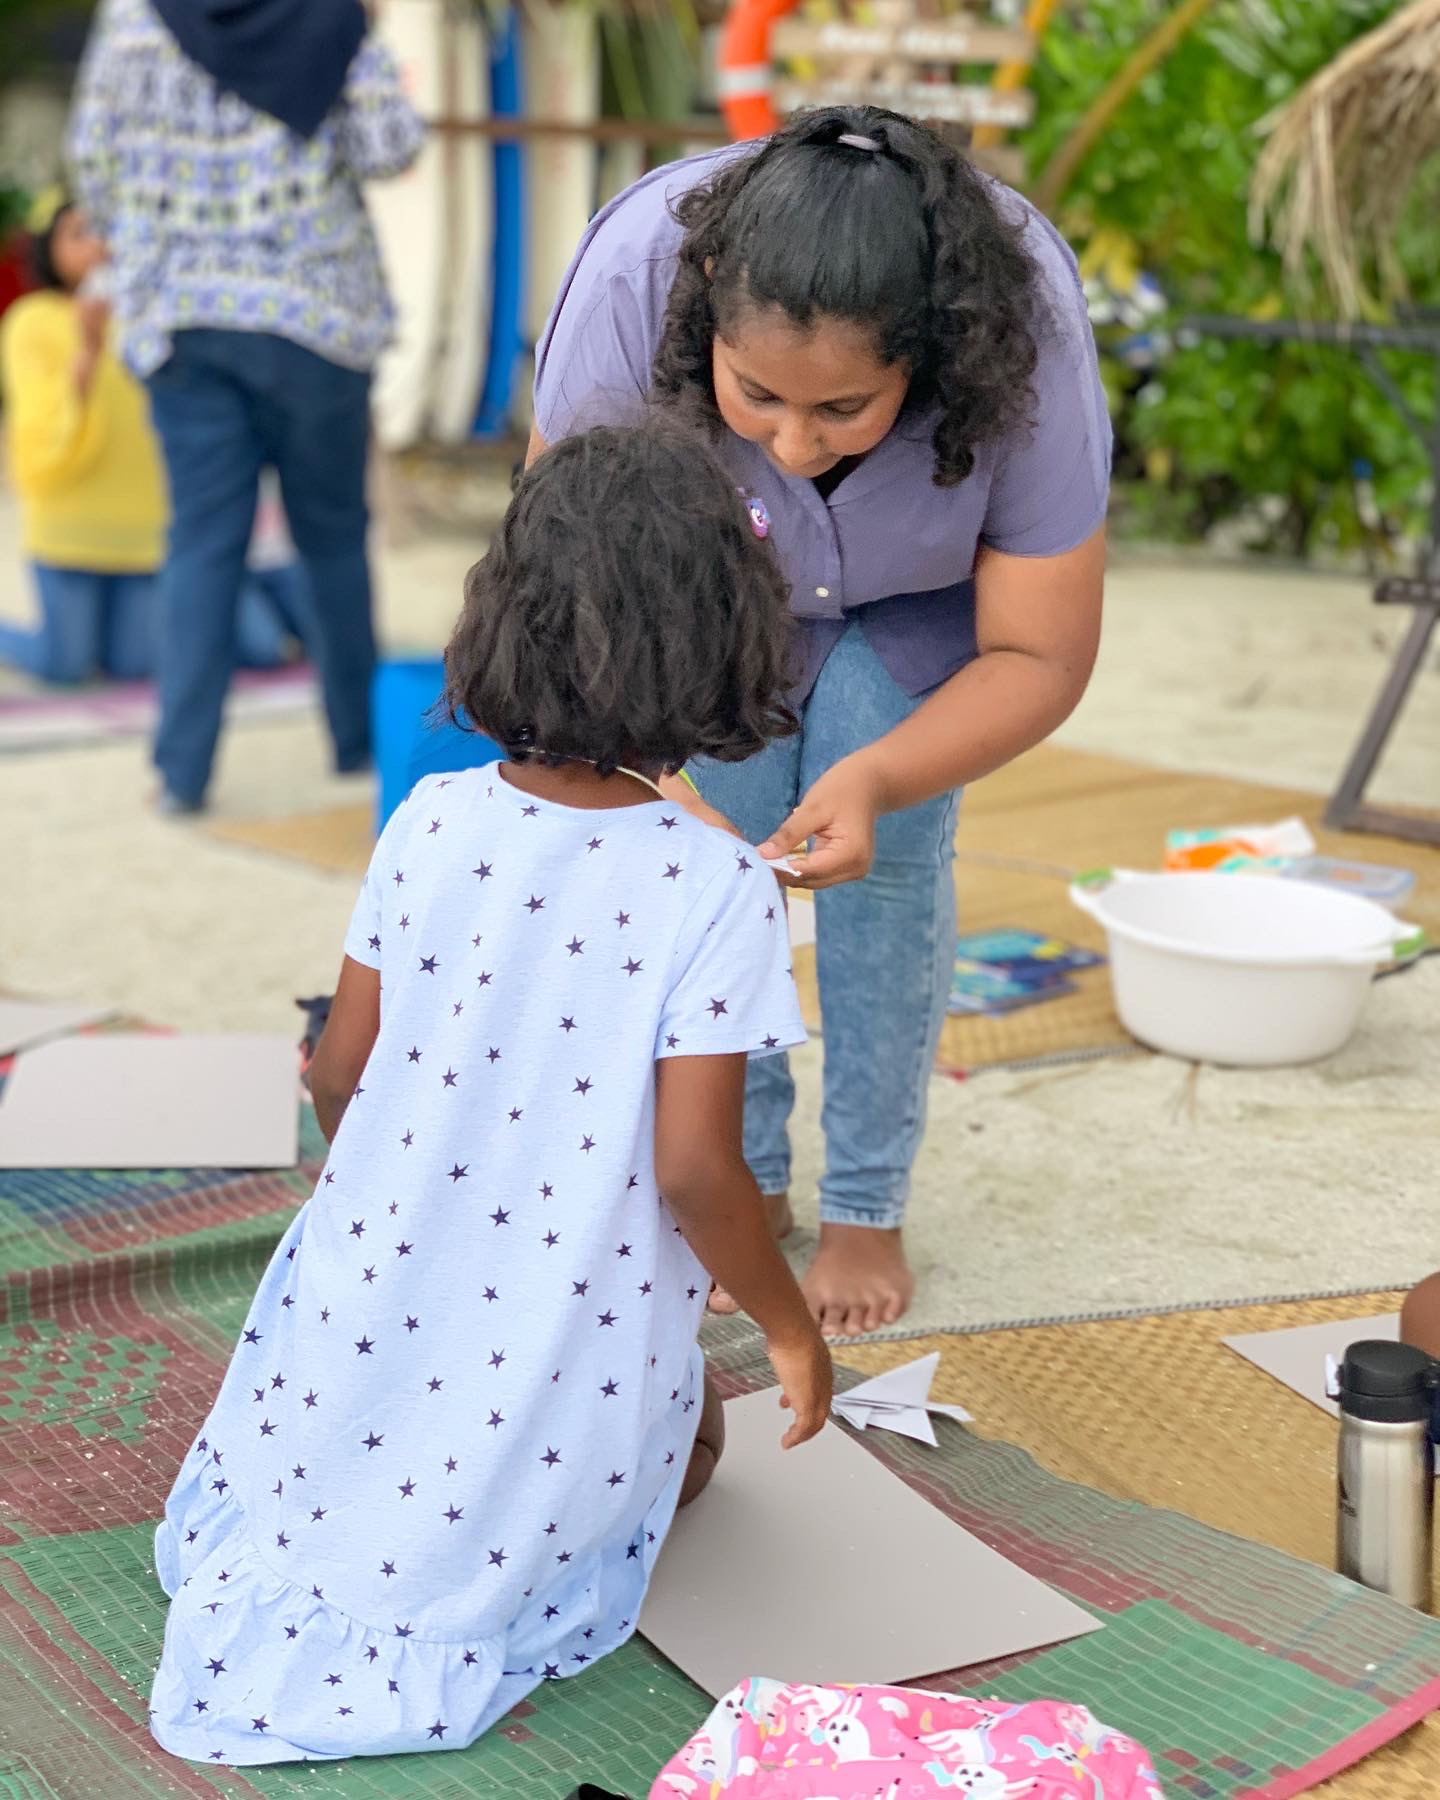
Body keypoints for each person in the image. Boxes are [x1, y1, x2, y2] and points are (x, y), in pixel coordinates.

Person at [146, 423, 833, 1766]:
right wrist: (792, 1330)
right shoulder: (717, 886)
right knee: (700, 1447)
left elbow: (337, 1071)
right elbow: (698, 1172)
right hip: (563, 1327)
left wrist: (407, 1197)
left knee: (394, 1443)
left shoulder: (433, 819)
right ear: (728, 641)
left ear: (506, 615)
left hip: (364, 1305)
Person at [530, 106, 1111, 1338]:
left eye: (845, 409)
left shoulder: (1022, 317)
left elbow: (1042, 651)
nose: (793, 445)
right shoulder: (634, 272)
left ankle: (864, 1208)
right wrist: (656, 785)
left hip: (922, 609)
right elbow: (573, 582)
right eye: (756, 396)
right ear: (705, 307)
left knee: (885, 863)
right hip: (705, 585)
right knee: (713, 865)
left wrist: (880, 778)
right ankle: (746, 1180)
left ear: (931, 354)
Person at [65, 0, 425, 812]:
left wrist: (153, 238)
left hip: (182, 315)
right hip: (317, 320)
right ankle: (356, 744)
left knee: (201, 543)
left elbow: (93, 160)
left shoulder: (134, 17)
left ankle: (181, 773)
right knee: (331, 538)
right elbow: (390, 146)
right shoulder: (330, 15)